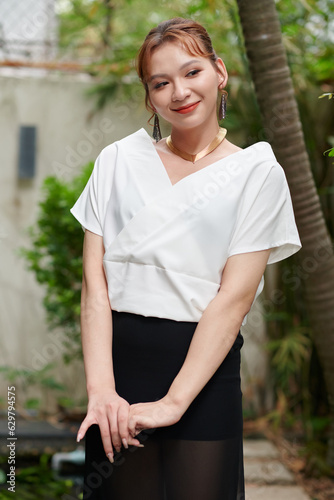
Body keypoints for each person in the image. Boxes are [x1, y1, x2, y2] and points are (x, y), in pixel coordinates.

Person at [70, 17, 301, 500]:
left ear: (220, 72)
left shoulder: (256, 172)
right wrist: (101, 391)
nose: (179, 92)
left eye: (191, 72)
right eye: (161, 83)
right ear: (149, 95)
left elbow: (233, 300)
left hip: (204, 376)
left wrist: (174, 403)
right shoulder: (117, 160)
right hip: (117, 373)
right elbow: (95, 288)